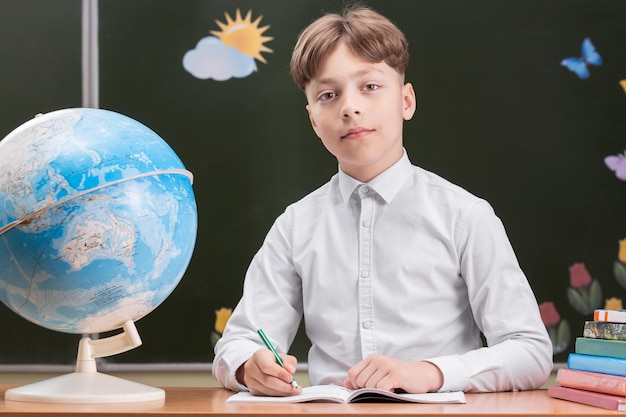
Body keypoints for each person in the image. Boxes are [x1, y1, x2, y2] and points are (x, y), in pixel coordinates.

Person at [212, 5, 552, 397]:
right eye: (328, 95)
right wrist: (248, 367)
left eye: (370, 87)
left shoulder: (465, 216)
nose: (349, 107)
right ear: (312, 120)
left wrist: (431, 373)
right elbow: (236, 344)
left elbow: (531, 351)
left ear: (406, 101)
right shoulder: (294, 227)